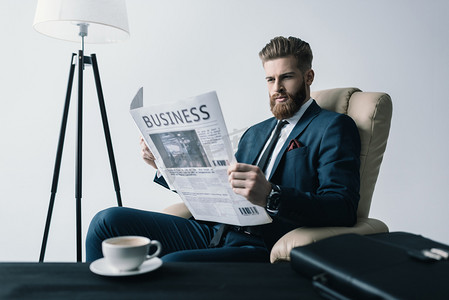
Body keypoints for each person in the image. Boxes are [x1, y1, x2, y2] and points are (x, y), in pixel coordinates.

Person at [86, 36, 361, 263]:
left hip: (259, 246)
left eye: (286, 77)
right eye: (269, 79)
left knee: (171, 266)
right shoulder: (255, 133)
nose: (277, 88)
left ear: (308, 76)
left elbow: (342, 208)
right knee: (106, 222)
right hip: (213, 231)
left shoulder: (333, 127)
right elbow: (219, 192)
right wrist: (165, 165)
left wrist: (272, 196)